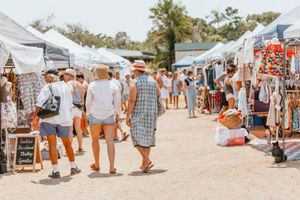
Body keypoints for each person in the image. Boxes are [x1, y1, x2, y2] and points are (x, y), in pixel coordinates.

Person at [32, 69, 81, 179]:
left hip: (49, 119)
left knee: (52, 145)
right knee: (67, 144)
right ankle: (73, 167)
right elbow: (69, 103)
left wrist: (35, 118)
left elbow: (39, 103)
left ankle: (56, 171)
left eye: (45, 76)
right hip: (65, 119)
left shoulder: (48, 87)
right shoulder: (67, 87)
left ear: (51, 77)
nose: (44, 78)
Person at [86, 65, 121, 173]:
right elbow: (117, 102)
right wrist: (118, 114)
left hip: (95, 114)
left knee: (95, 140)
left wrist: (89, 113)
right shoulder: (113, 85)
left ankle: (97, 163)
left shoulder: (92, 85)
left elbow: (88, 103)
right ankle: (111, 166)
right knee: (110, 141)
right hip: (109, 114)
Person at [126, 60, 160, 173]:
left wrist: (127, 115)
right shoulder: (153, 81)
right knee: (147, 138)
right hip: (151, 113)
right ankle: (144, 164)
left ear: (136, 70)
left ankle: (147, 159)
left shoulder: (134, 82)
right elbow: (159, 94)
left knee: (135, 136)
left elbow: (132, 100)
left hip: (138, 113)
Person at [64, 69, 84, 152]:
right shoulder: (80, 84)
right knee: (78, 128)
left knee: (70, 129)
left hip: (71, 108)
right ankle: (80, 146)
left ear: (70, 75)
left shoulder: (68, 84)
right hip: (78, 107)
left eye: (66, 74)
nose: (64, 75)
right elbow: (82, 97)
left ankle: (70, 147)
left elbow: (69, 95)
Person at [108, 71, 129, 141]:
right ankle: (118, 135)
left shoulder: (110, 83)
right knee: (116, 119)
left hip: (112, 103)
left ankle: (118, 134)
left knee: (114, 120)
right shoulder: (117, 82)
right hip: (118, 101)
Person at [76, 72, 89, 137]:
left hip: (84, 103)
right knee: (84, 118)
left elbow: (82, 96)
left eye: (77, 79)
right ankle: (86, 131)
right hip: (85, 102)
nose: (77, 81)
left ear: (80, 78)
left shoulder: (84, 85)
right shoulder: (84, 83)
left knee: (84, 118)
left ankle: (85, 131)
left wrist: (81, 105)